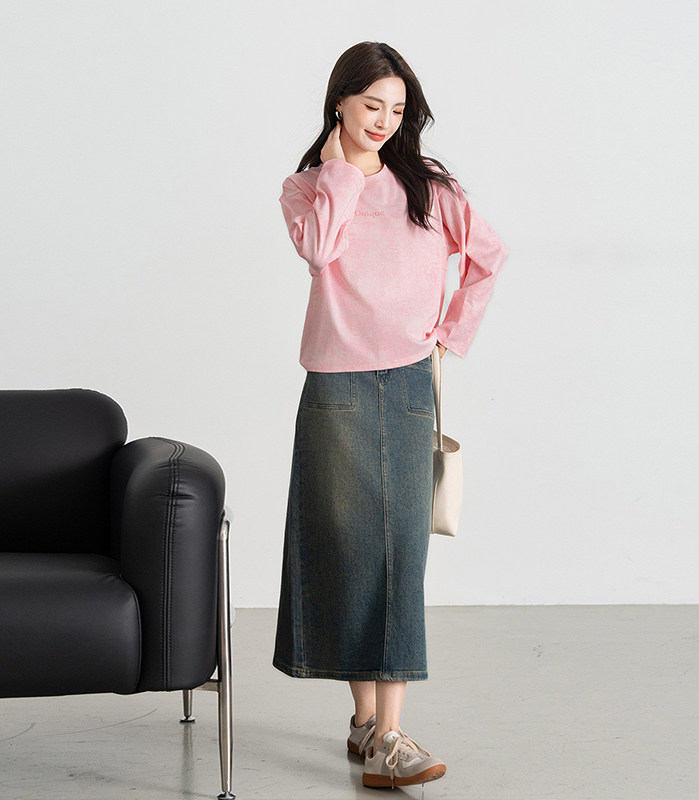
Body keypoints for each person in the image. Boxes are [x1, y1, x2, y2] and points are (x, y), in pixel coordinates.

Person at [273, 41, 508, 789]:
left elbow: (489, 256)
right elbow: (320, 252)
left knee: (400, 557)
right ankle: (366, 724)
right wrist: (344, 170)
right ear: (340, 102)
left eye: (398, 109)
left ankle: (392, 735)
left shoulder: (430, 187)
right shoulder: (308, 188)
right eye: (372, 104)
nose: (384, 120)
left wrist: (450, 332)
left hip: (407, 385)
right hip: (335, 389)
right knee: (350, 554)